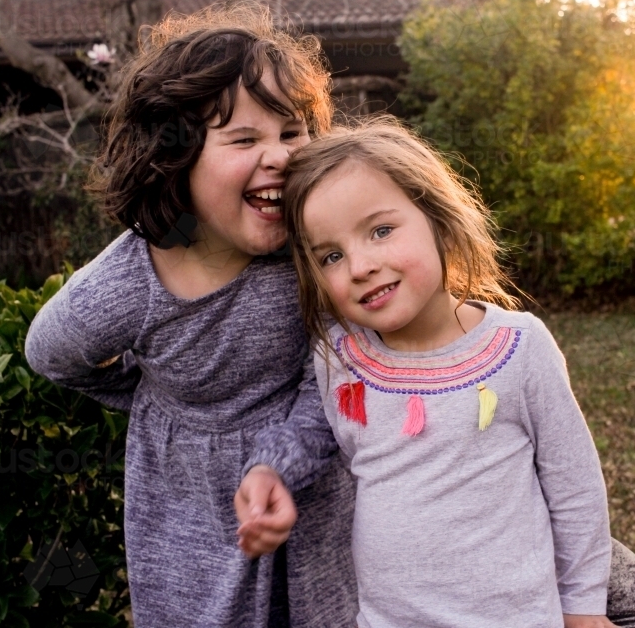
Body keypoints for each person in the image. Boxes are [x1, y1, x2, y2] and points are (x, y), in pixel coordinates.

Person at [24, 3, 356, 628]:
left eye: (292, 133)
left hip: (314, 499)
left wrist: (277, 460)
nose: (280, 156)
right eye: (244, 138)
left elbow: (338, 374)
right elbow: (50, 353)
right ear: (173, 155)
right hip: (191, 515)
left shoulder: (314, 250)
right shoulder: (129, 283)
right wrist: (161, 399)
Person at [236, 118, 615, 628]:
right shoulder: (339, 357)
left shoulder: (519, 348)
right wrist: (269, 470)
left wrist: (584, 608)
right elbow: (315, 431)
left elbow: (575, 490)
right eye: (331, 255)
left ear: (437, 218)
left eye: (381, 230)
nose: (359, 266)